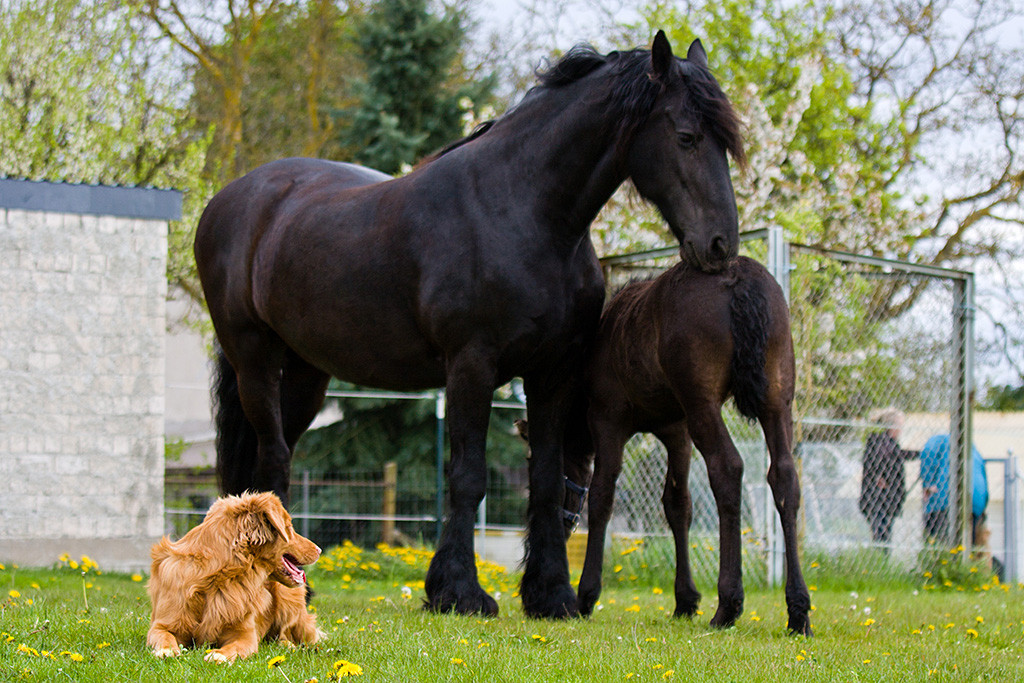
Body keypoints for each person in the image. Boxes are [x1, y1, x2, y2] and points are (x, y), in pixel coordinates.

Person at [859, 408, 920, 551]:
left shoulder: (890, 443)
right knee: (881, 536)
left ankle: (881, 558)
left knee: (884, 535)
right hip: (878, 498)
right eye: (899, 426)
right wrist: (877, 476)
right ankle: (880, 558)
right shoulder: (879, 441)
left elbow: (897, 454)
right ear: (891, 426)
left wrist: (920, 454)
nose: (901, 430)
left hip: (887, 499)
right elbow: (891, 455)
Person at [919, 434, 987, 546]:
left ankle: (939, 552)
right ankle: (967, 553)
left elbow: (928, 452)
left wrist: (928, 483)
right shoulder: (972, 449)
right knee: (969, 543)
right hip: (977, 500)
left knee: (938, 541)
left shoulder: (937, 441)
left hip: (946, 498)